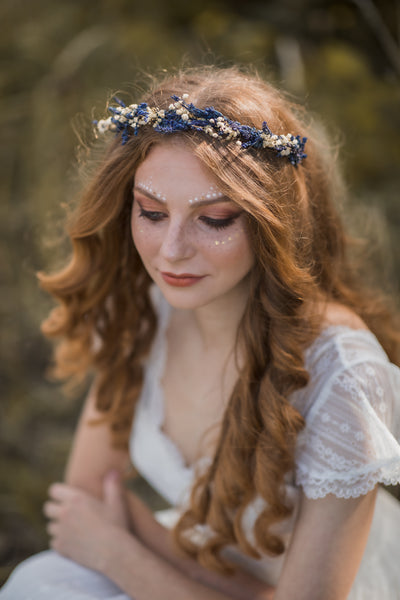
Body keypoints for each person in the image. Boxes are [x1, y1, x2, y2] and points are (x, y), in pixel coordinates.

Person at [2, 66, 400, 600]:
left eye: (213, 220)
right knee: (39, 584)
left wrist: (122, 550)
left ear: (271, 221)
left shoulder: (342, 376)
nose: (171, 251)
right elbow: (87, 501)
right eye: (151, 212)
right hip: (190, 566)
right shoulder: (148, 311)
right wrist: (133, 544)